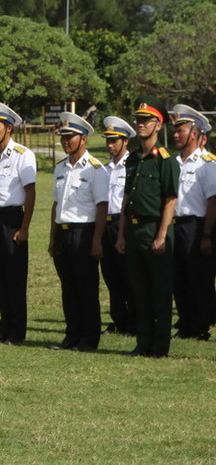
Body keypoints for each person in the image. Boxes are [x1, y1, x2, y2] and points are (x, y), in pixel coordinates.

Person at [115, 97, 179, 357]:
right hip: (134, 230)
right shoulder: (132, 159)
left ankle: (159, 346)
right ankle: (143, 343)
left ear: (158, 125)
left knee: (160, 291)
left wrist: (162, 235)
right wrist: (121, 234)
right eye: (138, 120)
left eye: (146, 120)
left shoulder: (165, 159)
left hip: (154, 228)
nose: (140, 124)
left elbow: (170, 199)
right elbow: (126, 199)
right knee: (139, 291)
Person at [47, 112, 109, 351]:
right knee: (68, 288)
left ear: (83, 139)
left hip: (84, 233)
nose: (65, 141)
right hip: (63, 233)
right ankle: (71, 335)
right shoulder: (60, 168)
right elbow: (56, 205)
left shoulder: (95, 169)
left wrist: (97, 240)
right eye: (62, 137)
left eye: (70, 137)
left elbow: (102, 206)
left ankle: (89, 338)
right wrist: (52, 238)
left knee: (86, 288)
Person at [0, 101, 36, 344]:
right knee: (0, 277)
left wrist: (24, 228)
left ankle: (16, 331)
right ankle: (3, 328)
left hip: (13, 219)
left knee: (15, 278)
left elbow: (31, 193)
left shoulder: (23, 155)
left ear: (9, 128)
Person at [169, 104, 216, 340]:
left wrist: (207, 235)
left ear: (195, 134)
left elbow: (212, 202)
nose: (176, 135)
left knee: (199, 278)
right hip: (175, 226)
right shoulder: (173, 162)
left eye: (181, 130)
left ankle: (200, 326)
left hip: (196, 226)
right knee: (179, 278)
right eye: (175, 130)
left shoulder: (207, 164)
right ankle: (185, 323)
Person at [100, 115, 137, 335]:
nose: (110, 145)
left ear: (125, 141)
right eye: (108, 140)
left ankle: (134, 321)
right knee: (111, 275)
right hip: (105, 225)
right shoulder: (104, 169)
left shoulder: (132, 166)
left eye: (114, 140)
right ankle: (119, 320)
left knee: (128, 275)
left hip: (123, 224)